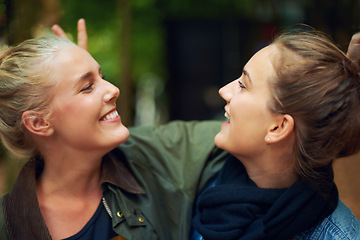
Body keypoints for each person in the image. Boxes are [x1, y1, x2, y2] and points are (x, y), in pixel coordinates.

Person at [0, 35, 227, 240]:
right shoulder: (8, 227)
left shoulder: (151, 157)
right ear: (39, 123)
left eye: (103, 76)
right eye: (88, 87)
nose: (113, 89)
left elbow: (238, 134)